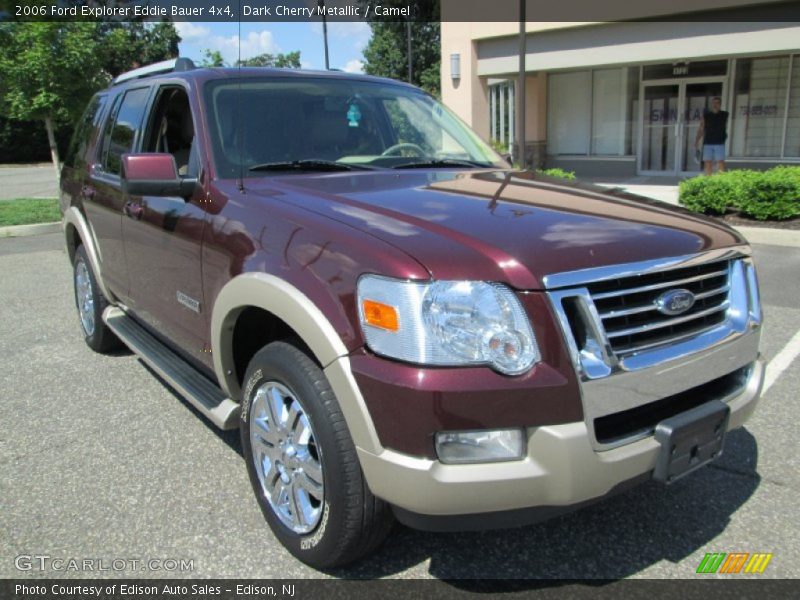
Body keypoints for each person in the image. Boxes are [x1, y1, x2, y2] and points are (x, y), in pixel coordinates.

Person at [695, 96, 729, 175]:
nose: (715, 104)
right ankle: (709, 180)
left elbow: (727, 127)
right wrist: (697, 140)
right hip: (708, 142)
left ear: (720, 104)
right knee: (707, 162)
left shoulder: (724, 114)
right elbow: (701, 128)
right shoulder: (706, 115)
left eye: (717, 103)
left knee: (720, 161)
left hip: (719, 142)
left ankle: (722, 181)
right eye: (714, 103)